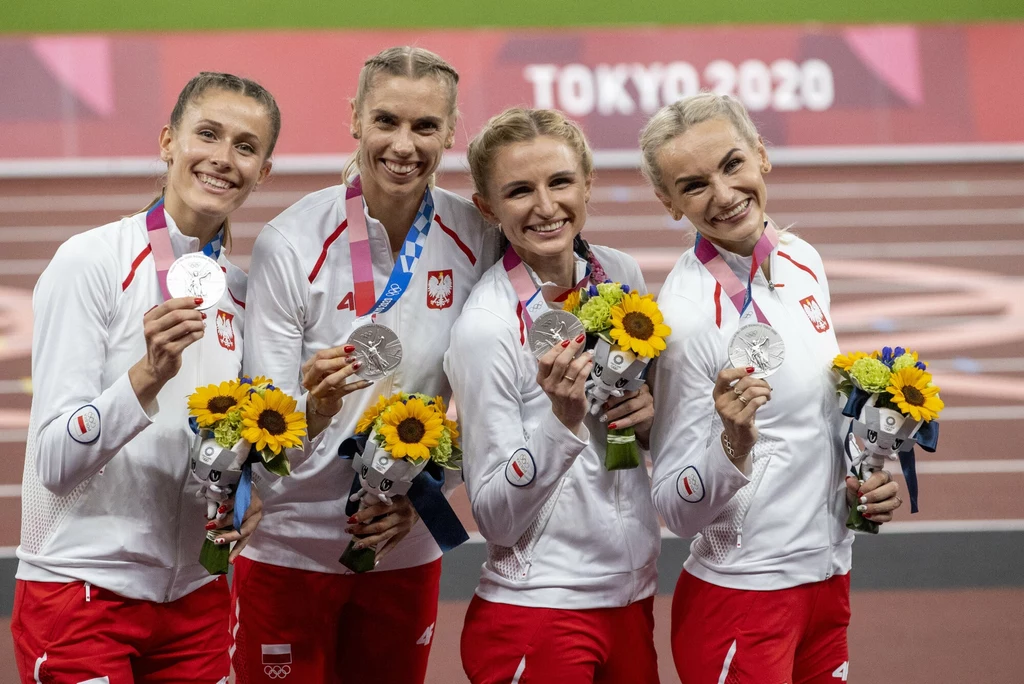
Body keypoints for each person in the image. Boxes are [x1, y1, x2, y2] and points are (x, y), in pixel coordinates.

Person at [232, 46, 500, 684]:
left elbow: (500, 402)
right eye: (387, 121)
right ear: (354, 118)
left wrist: (430, 494)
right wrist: (314, 408)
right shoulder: (291, 243)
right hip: (289, 552)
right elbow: (264, 431)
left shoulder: (477, 239)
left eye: (425, 126)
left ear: (451, 131)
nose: (404, 145)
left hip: (402, 550)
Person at [12, 71, 278, 683]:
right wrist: (146, 377)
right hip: (83, 591)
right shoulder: (93, 262)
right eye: (206, 134)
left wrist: (247, 489)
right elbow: (54, 462)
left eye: (245, 146)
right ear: (167, 142)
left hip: (196, 595)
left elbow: (224, 437)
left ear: (263, 171)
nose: (222, 158)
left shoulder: (239, 293)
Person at [641, 93, 903, 683]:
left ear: (761, 156)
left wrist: (866, 474)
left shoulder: (802, 259)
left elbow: (814, 421)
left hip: (828, 580)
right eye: (693, 185)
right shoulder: (684, 318)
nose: (724, 194)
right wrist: (732, 442)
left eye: (733, 165)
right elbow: (673, 510)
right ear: (669, 203)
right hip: (744, 598)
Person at [446, 107, 662, 684]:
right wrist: (561, 424)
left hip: (632, 597)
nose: (545, 207)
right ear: (488, 208)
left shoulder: (621, 277)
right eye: (520, 190)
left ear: (587, 183)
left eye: (560, 182)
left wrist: (648, 421)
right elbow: (492, 515)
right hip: (537, 610)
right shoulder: (486, 327)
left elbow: (650, 434)